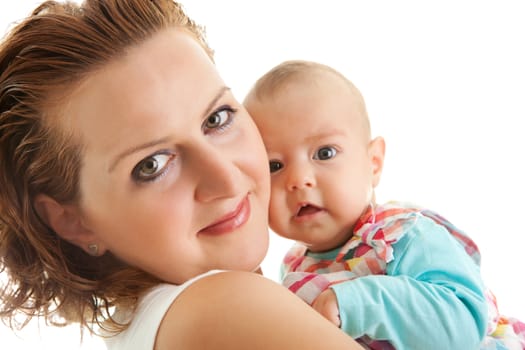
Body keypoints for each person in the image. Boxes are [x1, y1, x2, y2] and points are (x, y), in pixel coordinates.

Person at [0, 2, 367, 349]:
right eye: (152, 165)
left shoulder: (148, 324)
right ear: (74, 221)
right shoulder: (226, 308)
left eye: (217, 119)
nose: (225, 179)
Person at [243, 59, 525, 349]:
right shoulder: (295, 269)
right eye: (274, 165)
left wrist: (360, 302)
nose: (299, 179)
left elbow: (465, 323)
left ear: (373, 163)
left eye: (324, 153)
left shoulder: (404, 237)